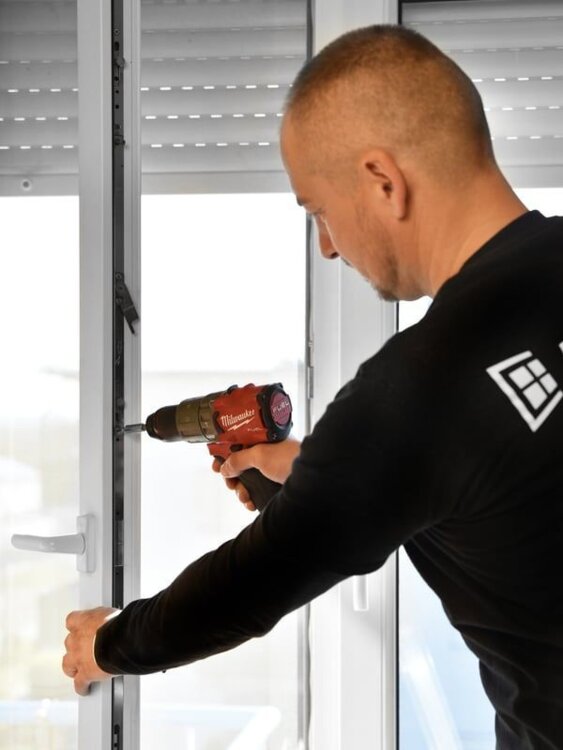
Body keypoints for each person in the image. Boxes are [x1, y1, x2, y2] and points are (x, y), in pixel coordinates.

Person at [63, 25, 563, 749]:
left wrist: (109, 643)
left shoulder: (420, 384)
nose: (326, 246)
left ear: (383, 180)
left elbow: (249, 586)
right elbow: (512, 466)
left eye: (318, 212)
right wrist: (321, 472)